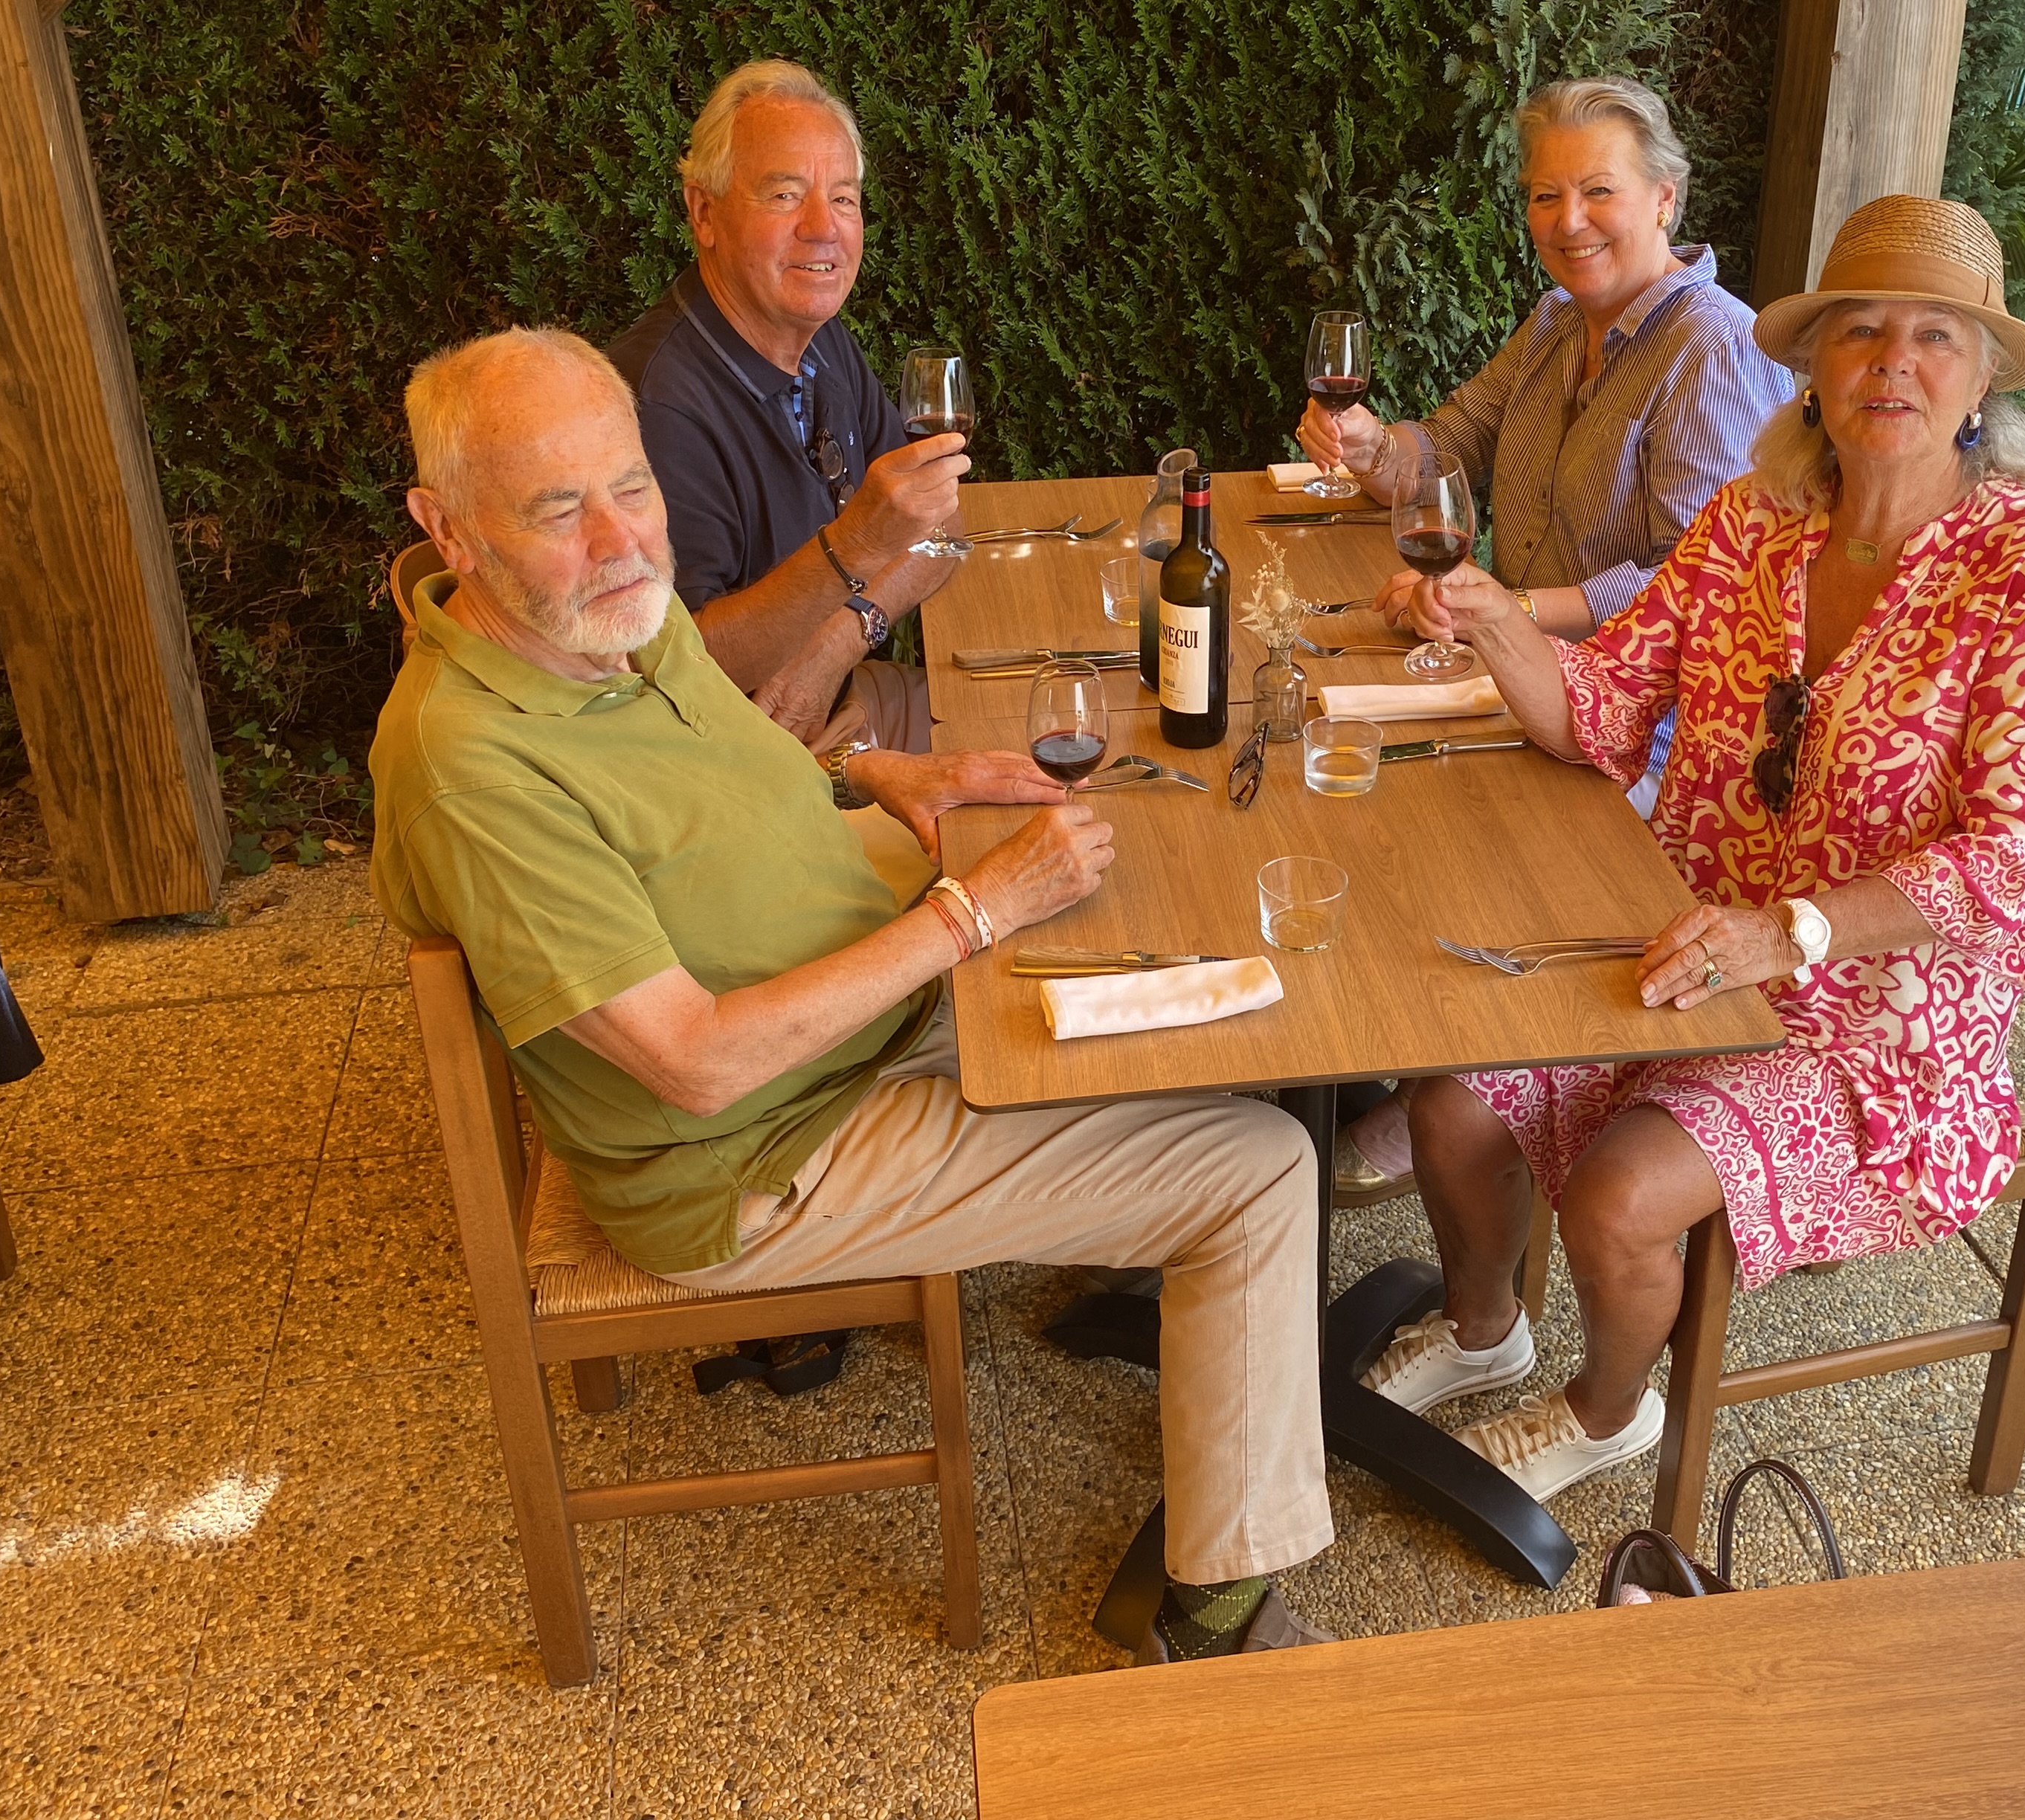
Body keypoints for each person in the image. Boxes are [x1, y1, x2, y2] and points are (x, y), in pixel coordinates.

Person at [372, 326, 1335, 1661]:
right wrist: (972, 913)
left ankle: (1189, 1302)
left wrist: (886, 774)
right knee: (1260, 1167)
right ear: (448, 527)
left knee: (1182, 952)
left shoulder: (596, 625)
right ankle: (1214, 1617)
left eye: (632, 486)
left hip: (850, 992)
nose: (620, 540)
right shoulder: (473, 767)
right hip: (761, 1147)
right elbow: (694, 1062)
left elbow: (732, 764)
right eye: (556, 508)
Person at [1359, 194, 2025, 1507]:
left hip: (1882, 1014)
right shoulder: (1753, 522)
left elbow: (2011, 861)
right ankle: (1484, 1330)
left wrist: (1790, 930)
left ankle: (1604, 1410)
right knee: (1453, 1102)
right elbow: (1604, 712)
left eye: (1934, 336)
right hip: (1685, 938)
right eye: (1860, 331)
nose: (1892, 362)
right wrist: (1495, 622)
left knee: (1619, 1195)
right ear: (1812, 366)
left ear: (1982, 376)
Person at [1296, 77, 1793, 1205]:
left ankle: (1471, 1065)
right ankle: (1410, 1045)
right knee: (1340, 772)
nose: (1569, 221)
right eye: (1543, 195)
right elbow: (1447, 447)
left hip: (1647, 732)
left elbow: (1698, 575)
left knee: (1411, 808)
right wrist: (1371, 447)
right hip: (1522, 675)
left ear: (1665, 198)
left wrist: (1516, 613)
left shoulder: (1714, 348)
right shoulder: (1558, 321)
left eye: (1598, 191)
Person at [608, 59, 953, 755]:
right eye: (785, 195)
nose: (823, 228)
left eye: (844, 198)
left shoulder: (821, 341)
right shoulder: (659, 407)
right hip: (740, 768)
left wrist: (837, 643)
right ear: (704, 212)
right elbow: (672, 666)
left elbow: (942, 524)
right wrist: (860, 548)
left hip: (838, 705)